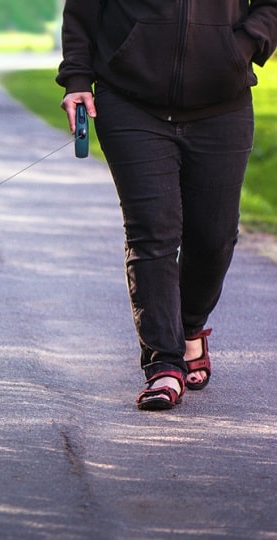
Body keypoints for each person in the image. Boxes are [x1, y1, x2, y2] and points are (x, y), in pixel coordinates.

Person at [56, 1, 277, 410]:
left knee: (215, 238)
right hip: (130, 102)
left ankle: (189, 327)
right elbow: (82, 10)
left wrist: (242, 46)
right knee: (152, 231)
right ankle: (164, 364)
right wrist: (76, 78)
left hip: (221, 104)